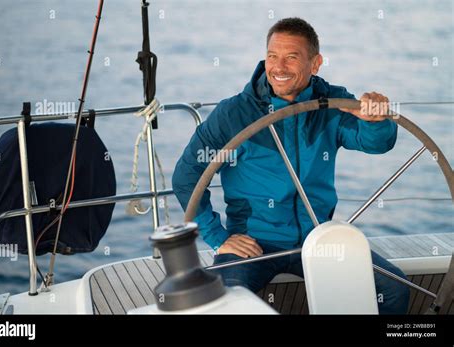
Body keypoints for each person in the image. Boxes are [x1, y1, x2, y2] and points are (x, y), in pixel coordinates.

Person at [172, 17, 410, 314]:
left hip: (319, 239)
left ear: (316, 63)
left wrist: (377, 122)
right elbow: (186, 176)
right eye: (272, 56)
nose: (278, 67)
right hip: (254, 244)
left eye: (291, 57)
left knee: (394, 288)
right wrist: (218, 238)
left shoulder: (332, 103)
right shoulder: (233, 113)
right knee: (224, 305)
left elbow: (376, 144)